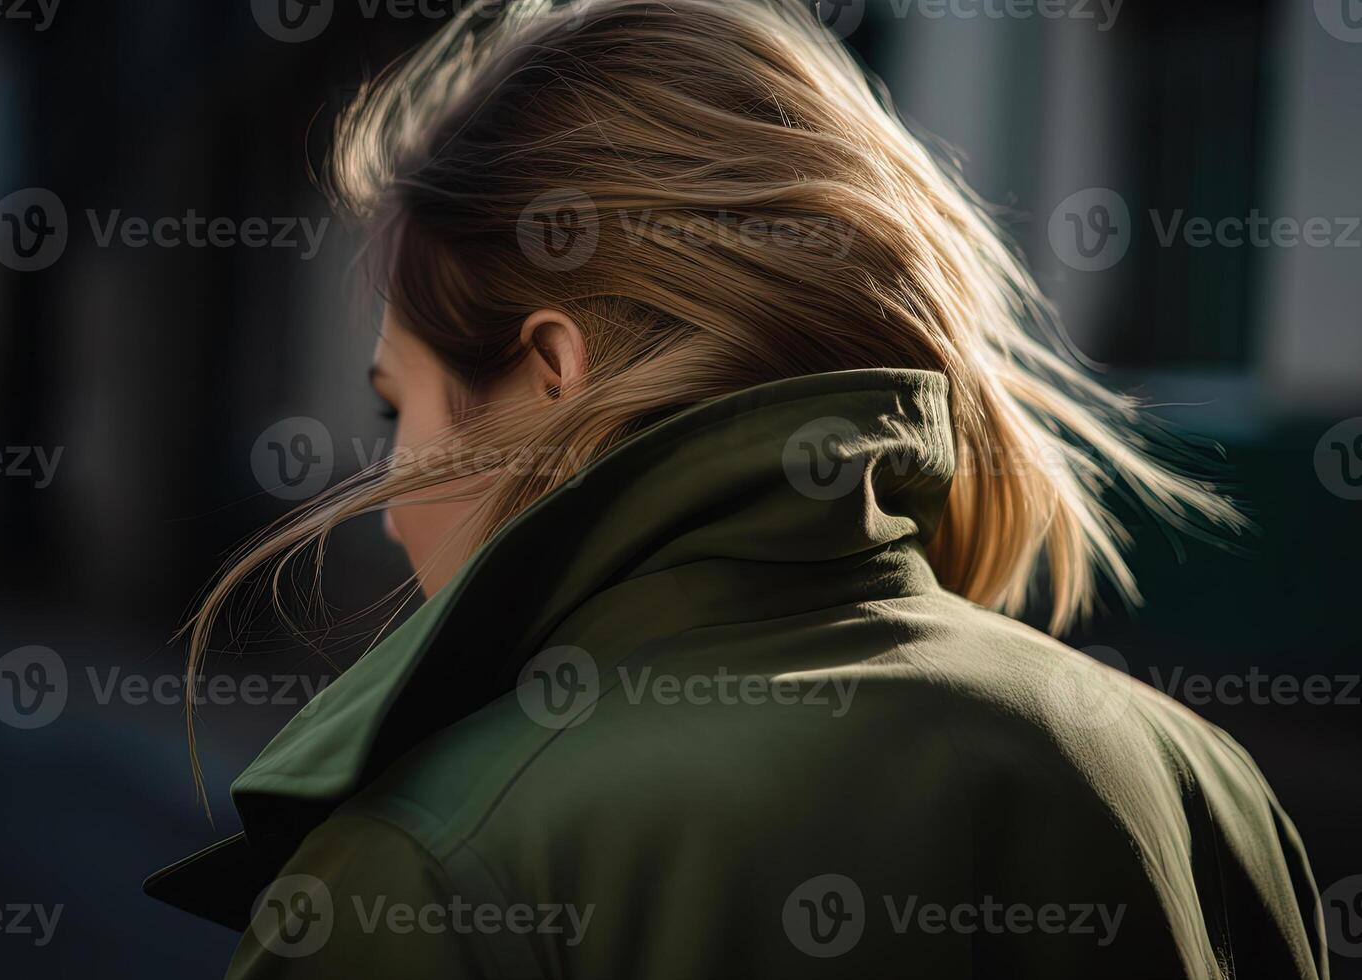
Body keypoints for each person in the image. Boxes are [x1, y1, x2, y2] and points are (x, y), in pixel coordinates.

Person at [145, 1, 1327, 976]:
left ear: (555, 372)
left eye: (397, 408)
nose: (392, 496)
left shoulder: (424, 870)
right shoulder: (1196, 784)